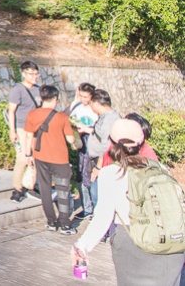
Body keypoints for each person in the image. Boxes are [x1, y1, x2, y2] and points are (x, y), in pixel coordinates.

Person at [72, 118, 185, 286]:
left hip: (135, 244)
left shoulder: (112, 173)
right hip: (172, 245)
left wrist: (82, 246)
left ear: (112, 142)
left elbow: (103, 218)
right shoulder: (160, 168)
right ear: (142, 143)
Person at [24, 85, 77, 234]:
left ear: (41, 98)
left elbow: (29, 136)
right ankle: (65, 224)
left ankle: (51, 222)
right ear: (55, 99)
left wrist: (28, 155)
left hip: (40, 157)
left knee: (45, 189)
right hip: (59, 159)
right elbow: (70, 139)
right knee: (63, 190)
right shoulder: (61, 117)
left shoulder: (32, 114)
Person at [6, 60, 41, 203]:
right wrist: (12, 131)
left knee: (35, 157)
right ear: (24, 73)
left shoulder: (38, 90)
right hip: (21, 128)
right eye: (31, 74)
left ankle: (31, 184)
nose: (34, 76)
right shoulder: (18, 90)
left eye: (36, 74)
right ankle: (17, 188)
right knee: (22, 158)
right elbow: (11, 111)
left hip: (35, 129)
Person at [85, 89, 120, 210]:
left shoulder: (109, 119)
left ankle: (102, 224)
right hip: (99, 161)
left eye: (91, 103)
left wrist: (98, 167)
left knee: (98, 197)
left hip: (103, 163)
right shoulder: (105, 117)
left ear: (96, 103)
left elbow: (107, 146)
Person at [69, 82, 98, 219]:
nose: (83, 100)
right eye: (81, 96)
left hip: (93, 146)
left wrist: (86, 130)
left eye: (86, 97)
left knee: (92, 178)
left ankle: (96, 208)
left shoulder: (96, 109)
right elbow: (68, 119)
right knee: (81, 176)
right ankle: (87, 208)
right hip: (81, 145)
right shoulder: (78, 107)